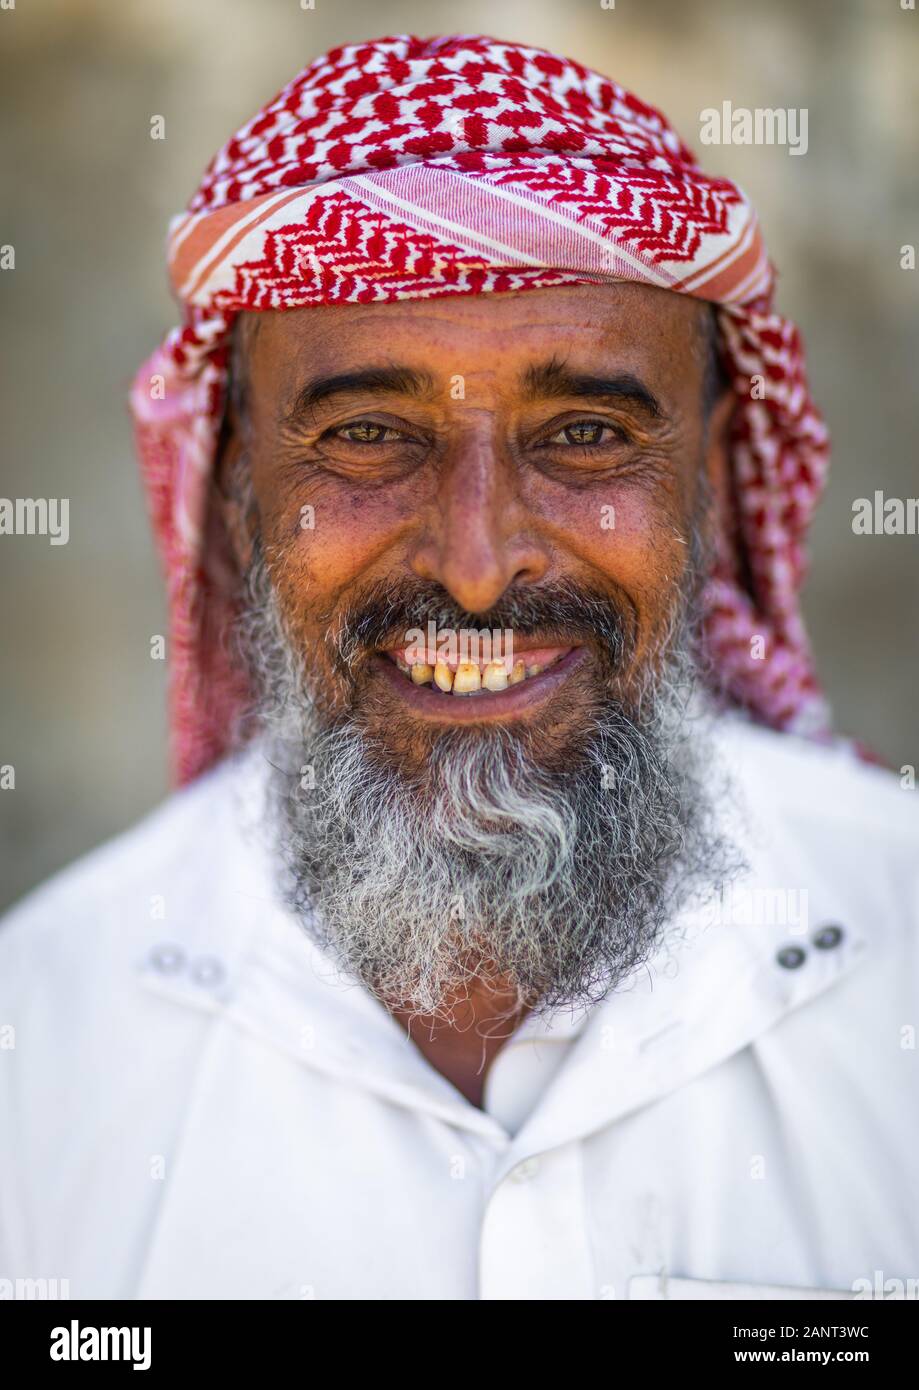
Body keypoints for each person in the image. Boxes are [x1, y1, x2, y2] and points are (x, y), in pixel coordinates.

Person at [1, 34, 916, 1302]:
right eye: (368, 434)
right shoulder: (39, 1049)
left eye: (587, 434)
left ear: (708, 465)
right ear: (232, 473)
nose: (478, 565)